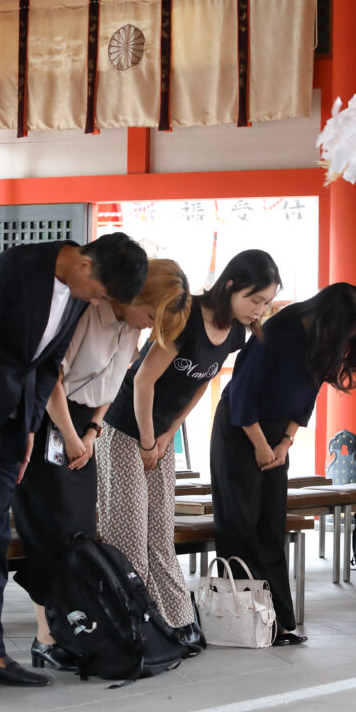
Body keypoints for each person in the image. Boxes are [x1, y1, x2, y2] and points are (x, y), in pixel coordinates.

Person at [0, 232, 148, 696]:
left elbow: (46, 364)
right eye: (98, 293)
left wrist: (29, 436)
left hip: (11, 422)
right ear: (83, 266)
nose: (96, 302)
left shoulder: (79, 289)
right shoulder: (12, 269)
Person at [96, 249, 282, 654]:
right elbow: (143, 381)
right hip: (124, 428)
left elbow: (202, 384)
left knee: (161, 534)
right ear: (231, 285)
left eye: (266, 303)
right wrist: (147, 440)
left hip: (159, 436)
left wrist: (169, 434)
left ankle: (177, 621)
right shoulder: (187, 315)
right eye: (255, 300)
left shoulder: (234, 332)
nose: (260, 310)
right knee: (128, 537)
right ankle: (135, 627)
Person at [12, 259, 190, 671]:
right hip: (47, 424)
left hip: (87, 429)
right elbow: (50, 379)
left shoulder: (130, 329)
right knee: (48, 531)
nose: (147, 328)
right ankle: (46, 636)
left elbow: (114, 383)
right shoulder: (88, 313)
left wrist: (92, 431)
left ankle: (73, 630)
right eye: (149, 315)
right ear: (135, 297)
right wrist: (74, 437)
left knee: (79, 535)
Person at [210, 282, 356, 645]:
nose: (345, 342)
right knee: (240, 525)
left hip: (275, 438)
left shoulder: (322, 341)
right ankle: (247, 623)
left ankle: (279, 621)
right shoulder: (279, 331)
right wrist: (259, 445)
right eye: (345, 333)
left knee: (270, 527)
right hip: (240, 431)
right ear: (327, 318)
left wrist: (285, 443)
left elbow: (308, 395)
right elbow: (242, 393)